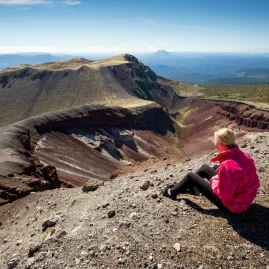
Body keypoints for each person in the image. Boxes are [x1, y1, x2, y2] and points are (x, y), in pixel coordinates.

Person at [162, 128, 260, 214]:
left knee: (190, 176)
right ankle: (193, 189)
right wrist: (219, 178)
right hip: (244, 199)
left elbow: (225, 196)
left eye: (215, 140)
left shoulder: (227, 166)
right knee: (205, 169)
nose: (214, 142)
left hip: (232, 206)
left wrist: (214, 181)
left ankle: (171, 192)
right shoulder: (243, 156)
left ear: (221, 143)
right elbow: (252, 181)